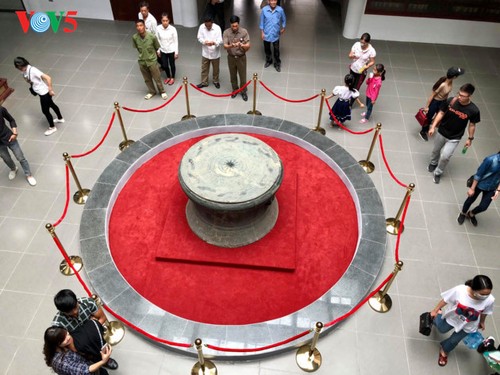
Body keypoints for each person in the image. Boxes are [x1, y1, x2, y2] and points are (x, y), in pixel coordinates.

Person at [430, 275, 494, 367]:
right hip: (453, 318)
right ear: (474, 289)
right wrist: (435, 310)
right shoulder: (460, 290)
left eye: (487, 294)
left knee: (453, 341)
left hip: (469, 325)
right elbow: (445, 300)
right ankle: (437, 316)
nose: (485, 297)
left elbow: (485, 312)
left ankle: (444, 350)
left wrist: (482, 322)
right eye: (483, 294)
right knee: (441, 329)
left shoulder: (490, 299)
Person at [51, 289, 118, 370]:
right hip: (78, 345)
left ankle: (106, 360)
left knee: (101, 346)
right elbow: (65, 344)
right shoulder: (58, 324)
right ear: (62, 312)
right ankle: (96, 361)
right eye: (70, 311)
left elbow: (102, 318)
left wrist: (89, 329)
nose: (75, 312)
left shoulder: (88, 303)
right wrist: (92, 323)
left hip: (93, 335)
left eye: (76, 307)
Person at [428, 83, 480, 184]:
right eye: (459, 94)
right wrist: (433, 126)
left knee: (445, 156)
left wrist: (470, 138)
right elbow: (441, 113)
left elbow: (472, 125)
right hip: (442, 132)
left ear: (470, 96)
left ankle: (438, 172)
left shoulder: (474, 110)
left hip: (455, 137)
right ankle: (433, 163)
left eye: (463, 96)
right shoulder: (450, 101)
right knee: (436, 150)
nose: (459, 97)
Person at [13, 57, 64, 136]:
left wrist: (50, 90)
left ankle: (52, 127)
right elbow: (28, 80)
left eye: (20, 66)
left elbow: (48, 78)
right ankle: (60, 118)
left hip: (44, 93)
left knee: (45, 111)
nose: (19, 68)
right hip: (41, 92)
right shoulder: (24, 71)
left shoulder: (33, 70)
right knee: (52, 105)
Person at [419, 67, 465, 141]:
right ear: (454, 77)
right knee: (428, 117)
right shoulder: (443, 85)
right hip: (435, 102)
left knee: (441, 116)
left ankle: (433, 124)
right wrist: (427, 106)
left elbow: (446, 94)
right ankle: (423, 131)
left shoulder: (450, 82)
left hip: (443, 102)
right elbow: (432, 95)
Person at [43, 326, 112, 375]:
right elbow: (85, 371)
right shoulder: (63, 362)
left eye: (67, 334)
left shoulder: (54, 347)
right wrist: (103, 361)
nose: (68, 338)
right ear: (57, 344)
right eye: (64, 339)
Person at [457, 151, 500, 226]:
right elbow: (479, 174)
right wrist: (472, 188)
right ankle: (463, 213)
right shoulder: (490, 160)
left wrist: (498, 190)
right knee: (470, 200)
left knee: (483, 207)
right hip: (480, 184)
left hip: (492, 187)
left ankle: (471, 214)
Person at [0, 105, 36, 186]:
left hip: (9, 137)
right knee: (6, 158)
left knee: (20, 157)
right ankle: (13, 168)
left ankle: (28, 175)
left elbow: (11, 120)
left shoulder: (1, 109)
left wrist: (15, 133)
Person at [132, 19, 167, 100]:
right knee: (147, 79)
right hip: (142, 61)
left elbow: (156, 47)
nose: (139, 28)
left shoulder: (152, 37)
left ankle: (162, 91)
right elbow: (137, 48)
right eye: (137, 26)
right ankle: (152, 91)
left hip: (152, 61)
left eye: (141, 25)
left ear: (144, 26)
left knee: (157, 78)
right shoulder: (135, 37)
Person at [223, 15, 251, 101]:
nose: (234, 27)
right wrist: (231, 45)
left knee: (242, 76)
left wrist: (241, 45)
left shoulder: (244, 32)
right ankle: (235, 89)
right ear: (230, 25)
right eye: (233, 26)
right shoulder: (226, 32)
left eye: (236, 26)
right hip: (231, 57)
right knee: (232, 75)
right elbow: (225, 46)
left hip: (241, 57)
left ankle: (243, 91)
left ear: (238, 24)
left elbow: (248, 46)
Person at [196, 15, 223, 89]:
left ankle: (216, 81)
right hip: (205, 52)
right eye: (206, 26)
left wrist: (214, 43)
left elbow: (220, 40)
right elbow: (199, 37)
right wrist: (204, 42)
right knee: (204, 68)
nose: (208, 27)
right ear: (204, 23)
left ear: (212, 22)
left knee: (216, 69)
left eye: (209, 26)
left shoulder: (217, 28)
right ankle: (204, 82)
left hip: (215, 52)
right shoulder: (201, 27)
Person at [259, 0, 286, 72]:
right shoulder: (264, 10)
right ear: (268, 1)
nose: (273, 2)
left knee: (276, 50)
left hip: (276, 34)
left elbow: (283, 20)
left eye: (275, 0)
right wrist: (262, 32)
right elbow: (262, 22)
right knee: (267, 49)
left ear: (277, 1)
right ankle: (269, 60)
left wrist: (283, 28)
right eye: (271, 0)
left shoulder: (280, 10)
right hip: (266, 33)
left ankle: (277, 63)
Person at [156, 13, 178, 85]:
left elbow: (175, 41)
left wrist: (176, 52)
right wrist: (158, 50)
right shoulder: (158, 28)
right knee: (165, 65)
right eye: (163, 20)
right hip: (163, 50)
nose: (165, 22)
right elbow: (157, 39)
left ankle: (173, 77)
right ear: (161, 21)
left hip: (171, 50)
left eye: (166, 20)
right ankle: (168, 77)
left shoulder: (173, 29)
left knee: (172, 65)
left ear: (169, 21)